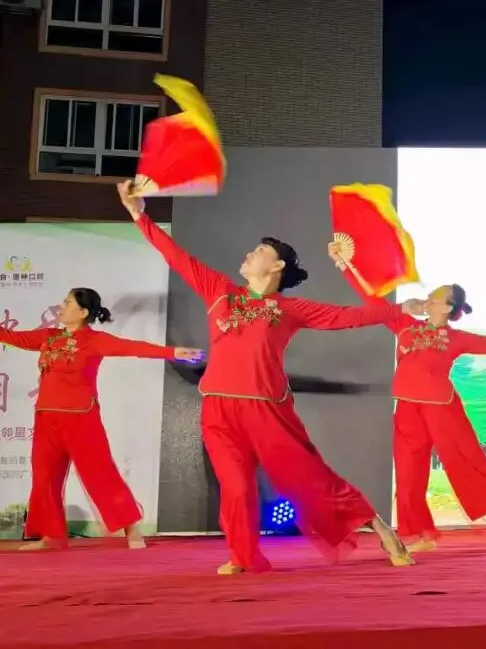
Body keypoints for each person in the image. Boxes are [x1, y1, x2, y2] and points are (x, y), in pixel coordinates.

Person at [117, 181, 414, 575]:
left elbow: (360, 315)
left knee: (311, 479)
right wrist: (139, 214)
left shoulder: (290, 308)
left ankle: (380, 528)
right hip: (218, 409)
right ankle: (243, 555)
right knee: (236, 487)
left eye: (259, 251)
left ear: (276, 267)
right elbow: (175, 255)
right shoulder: (220, 291)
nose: (249, 253)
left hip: (267, 410)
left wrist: (362, 278)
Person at [328, 243, 486, 552]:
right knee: (408, 474)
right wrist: (344, 264)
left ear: (446, 307)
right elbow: (373, 301)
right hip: (407, 408)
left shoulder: (456, 338)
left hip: (443, 409)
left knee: (469, 461)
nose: (428, 297)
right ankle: (424, 536)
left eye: (436, 296)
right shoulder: (404, 324)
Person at [0, 288, 203, 551]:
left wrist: (173, 352)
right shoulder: (48, 337)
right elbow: (12, 337)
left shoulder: (94, 340)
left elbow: (132, 348)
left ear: (82, 312)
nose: (61, 306)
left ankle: (131, 529)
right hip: (46, 417)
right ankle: (51, 536)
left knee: (100, 475)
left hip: (81, 417)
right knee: (44, 477)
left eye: (67, 303)